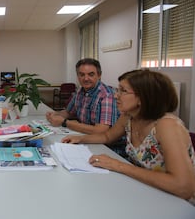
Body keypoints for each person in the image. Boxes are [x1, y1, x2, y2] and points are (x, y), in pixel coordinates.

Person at [61, 69, 195, 204]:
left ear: (143, 97)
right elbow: (108, 136)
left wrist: (119, 166)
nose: (115, 96)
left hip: (178, 202)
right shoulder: (129, 116)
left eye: (123, 91)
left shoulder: (167, 126)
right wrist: (81, 139)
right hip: (147, 190)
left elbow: (183, 187)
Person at [46, 58, 118, 134]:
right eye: (82, 74)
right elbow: (69, 112)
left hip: (106, 144)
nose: (86, 79)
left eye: (91, 74)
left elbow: (101, 131)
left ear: (99, 75)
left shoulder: (106, 95)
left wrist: (65, 122)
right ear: (77, 76)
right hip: (85, 135)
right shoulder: (80, 90)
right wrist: (56, 114)